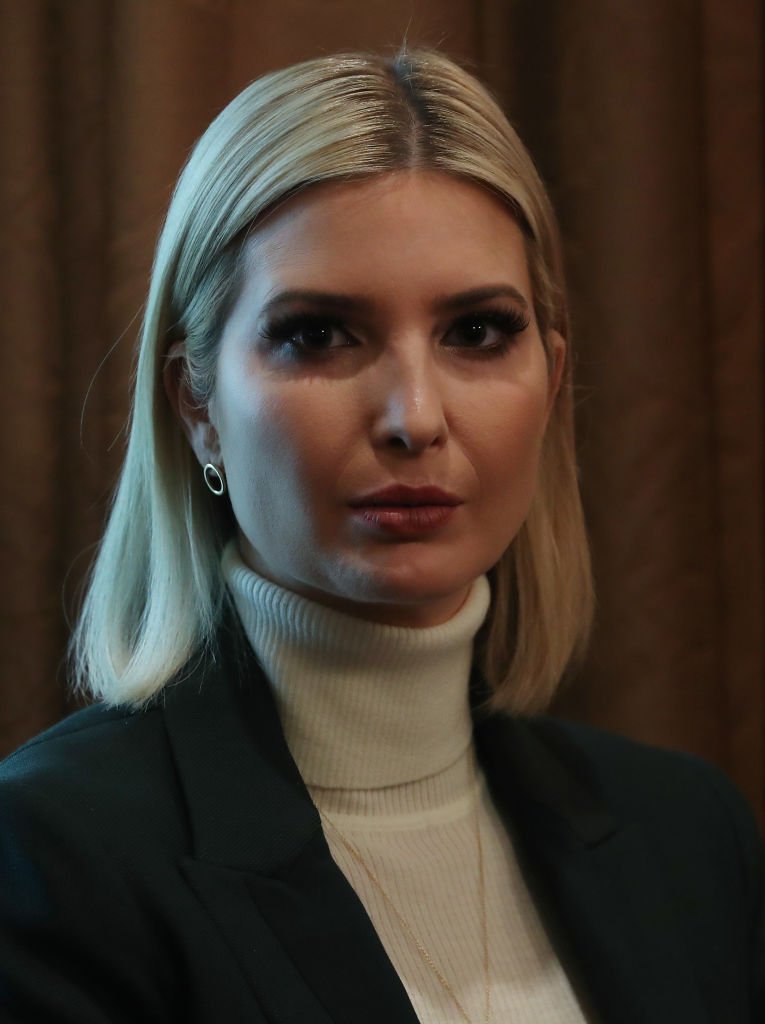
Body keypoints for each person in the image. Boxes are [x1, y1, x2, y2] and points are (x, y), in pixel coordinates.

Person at [0, 48, 762, 1024]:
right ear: (196, 405)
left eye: (478, 333)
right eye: (320, 335)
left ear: (552, 380)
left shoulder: (689, 838)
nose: (414, 416)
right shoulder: (55, 854)